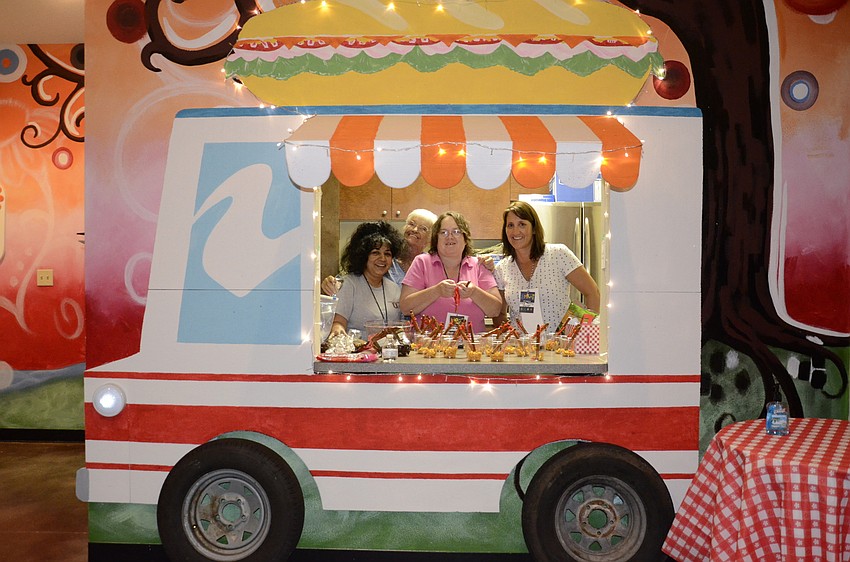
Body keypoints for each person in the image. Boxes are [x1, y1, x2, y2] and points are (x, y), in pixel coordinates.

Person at [493, 200, 600, 331]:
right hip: (522, 349)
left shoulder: (558, 254)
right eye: (510, 225)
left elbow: (592, 293)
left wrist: (586, 331)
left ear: (533, 228)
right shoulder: (502, 268)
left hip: (560, 347)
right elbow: (499, 314)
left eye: (522, 224)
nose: (515, 231)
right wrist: (511, 336)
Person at [400, 211, 502, 333]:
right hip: (429, 348)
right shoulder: (422, 262)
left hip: (472, 348)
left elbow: (495, 310)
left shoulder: (479, 265)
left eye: (456, 232)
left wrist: (475, 292)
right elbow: (406, 307)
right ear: (435, 239)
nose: (450, 237)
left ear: (465, 239)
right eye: (443, 232)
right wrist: (436, 291)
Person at [321, 209, 438, 295]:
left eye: (423, 228)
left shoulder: (429, 265)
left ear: (430, 239)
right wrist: (334, 282)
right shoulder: (385, 256)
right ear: (404, 228)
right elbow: (356, 276)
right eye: (411, 224)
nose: (414, 230)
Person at [329, 221, 406, 338]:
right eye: (375, 253)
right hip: (357, 352)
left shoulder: (394, 288)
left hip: (389, 352)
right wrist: (338, 331)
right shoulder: (349, 284)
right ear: (363, 256)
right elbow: (338, 323)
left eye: (387, 254)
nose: (382, 258)